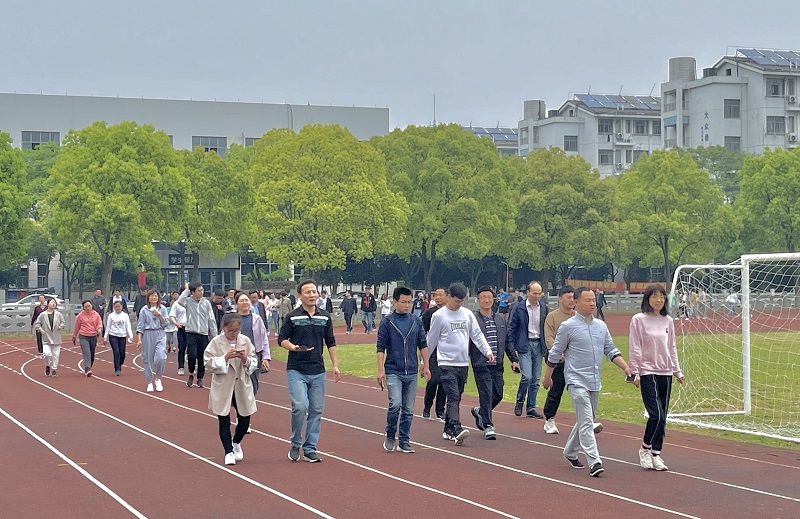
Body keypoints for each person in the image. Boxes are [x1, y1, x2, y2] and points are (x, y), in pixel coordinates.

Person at [543, 287, 633, 477]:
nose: (592, 303)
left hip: (594, 381)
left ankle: (569, 451)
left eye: (594, 300)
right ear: (576, 302)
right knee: (586, 421)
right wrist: (547, 376)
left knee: (586, 420)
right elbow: (555, 353)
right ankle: (595, 461)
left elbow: (611, 350)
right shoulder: (567, 327)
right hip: (576, 381)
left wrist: (626, 367)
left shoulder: (601, 326)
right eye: (588, 300)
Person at [279, 280, 340, 463]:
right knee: (300, 407)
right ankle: (295, 443)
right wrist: (293, 347)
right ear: (300, 295)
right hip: (297, 369)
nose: (312, 295)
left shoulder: (325, 316)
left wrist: (335, 365)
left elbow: (330, 341)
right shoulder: (292, 316)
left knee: (316, 410)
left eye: (314, 291)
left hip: (318, 370)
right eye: (308, 292)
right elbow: (281, 339)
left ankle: (310, 447)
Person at [427, 282, 495, 445]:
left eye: (461, 301)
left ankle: (448, 428)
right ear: (449, 297)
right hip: (445, 363)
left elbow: (476, 335)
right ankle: (457, 428)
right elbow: (431, 340)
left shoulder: (467, 314)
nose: (459, 304)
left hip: (463, 363)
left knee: (457, 397)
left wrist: (487, 351)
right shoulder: (439, 316)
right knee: (453, 395)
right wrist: (424, 362)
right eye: (456, 301)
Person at [629, 284, 686, 471]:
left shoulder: (668, 320)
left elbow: (672, 347)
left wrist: (677, 371)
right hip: (647, 371)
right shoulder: (638, 320)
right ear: (647, 299)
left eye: (662, 297)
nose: (659, 300)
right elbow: (635, 346)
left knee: (663, 416)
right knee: (656, 414)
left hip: (666, 371)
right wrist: (635, 371)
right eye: (655, 296)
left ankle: (656, 453)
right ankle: (645, 449)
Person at [376, 286, 431, 453]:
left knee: (408, 408)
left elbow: (422, 343)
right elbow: (380, 347)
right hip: (393, 370)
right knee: (396, 403)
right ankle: (390, 434)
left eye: (409, 302)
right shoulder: (388, 322)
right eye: (403, 302)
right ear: (395, 302)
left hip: (412, 371)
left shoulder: (416, 320)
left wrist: (426, 364)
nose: (407, 305)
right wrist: (380, 370)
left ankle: (405, 440)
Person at [205, 312, 258, 466]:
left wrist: (245, 359)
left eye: (237, 330)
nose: (234, 334)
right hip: (223, 384)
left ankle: (236, 442)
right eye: (230, 331)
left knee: (245, 418)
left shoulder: (245, 341)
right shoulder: (216, 342)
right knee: (224, 418)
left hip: (241, 383)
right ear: (224, 328)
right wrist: (225, 358)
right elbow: (208, 362)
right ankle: (228, 451)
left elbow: (254, 360)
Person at [469, 286, 518, 440]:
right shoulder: (474, 320)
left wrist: (514, 359)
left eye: (489, 297)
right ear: (478, 300)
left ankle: (480, 412)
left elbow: (508, 340)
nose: (487, 300)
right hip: (481, 364)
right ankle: (488, 425)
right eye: (483, 297)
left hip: (497, 364)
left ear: (494, 300)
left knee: (498, 394)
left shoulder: (499, 319)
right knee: (486, 393)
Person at [508, 281, 549, 418]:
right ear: (527, 292)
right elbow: (512, 327)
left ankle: (531, 407)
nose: (537, 296)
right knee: (527, 376)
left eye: (539, 293)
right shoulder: (519, 308)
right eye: (534, 293)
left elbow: (547, 328)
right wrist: (511, 347)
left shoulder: (543, 308)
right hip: (524, 344)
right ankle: (520, 401)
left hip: (539, 345)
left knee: (536, 379)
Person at [176, 283, 218, 389]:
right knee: (192, 355)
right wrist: (186, 289)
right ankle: (191, 372)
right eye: (199, 290)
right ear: (193, 292)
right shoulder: (188, 301)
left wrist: (215, 335)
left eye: (202, 290)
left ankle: (200, 378)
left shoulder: (206, 303)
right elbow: (180, 300)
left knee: (201, 357)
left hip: (203, 333)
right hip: (191, 332)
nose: (202, 292)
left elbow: (211, 319)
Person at [421, 287, 447, 420]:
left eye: (440, 295)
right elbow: (422, 333)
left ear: (447, 296)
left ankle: (440, 410)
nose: (437, 297)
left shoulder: (451, 313)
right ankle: (427, 406)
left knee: (444, 382)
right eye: (435, 295)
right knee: (433, 380)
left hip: (447, 354)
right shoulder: (429, 313)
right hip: (432, 352)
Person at [135, 289, 168, 393]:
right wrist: (139, 340)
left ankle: (158, 378)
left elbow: (165, 324)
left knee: (160, 357)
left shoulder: (162, 309)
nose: (154, 298)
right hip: (148, 334)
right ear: (148, 298)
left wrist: (159, 315)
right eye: (151, 296)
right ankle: (149, 381)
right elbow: (140, 326)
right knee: (147, 359)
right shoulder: (144, 310)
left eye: (156, 296)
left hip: (160, 333)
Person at [72, 300, 103, 377]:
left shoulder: (96, 315)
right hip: (83, 336)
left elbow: (99, 324)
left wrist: (99, 329)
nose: (88, 308)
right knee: (87, 352)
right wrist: (74, 335)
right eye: (86, 307)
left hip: (93, 336)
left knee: (92, 353)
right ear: (83, 308)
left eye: (89, 306)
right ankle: (87, 368)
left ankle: (89, 366)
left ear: (92, 306)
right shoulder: (80, 315)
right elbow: (77, 326)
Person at [35, 298, 65, 377]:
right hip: (46, 337)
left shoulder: (58, 314)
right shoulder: (43, 315)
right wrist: (41, 330)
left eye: (54, 303)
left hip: (56, 337)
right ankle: (47, 365)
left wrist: (61, 326)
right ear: (47, 304)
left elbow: (63, 322)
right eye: (51, 302)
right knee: (46, 353)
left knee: (56, 354)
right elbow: (37, 324)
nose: (53, 304)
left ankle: (54, 369)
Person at [104, 300, 133, 375]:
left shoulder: (125, 315)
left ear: (122, 307)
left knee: (122, 354)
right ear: (114, 307)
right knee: (116, 352)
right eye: (116, 306)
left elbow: (128, 326)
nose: (117, 308)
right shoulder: (111, 315)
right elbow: (108, 326)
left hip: (122, 336)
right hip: (113, 335)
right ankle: (117, 368)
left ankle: (119, 363)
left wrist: (130, 335)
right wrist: (105, 337)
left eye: (119, 306)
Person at [169, 291, 188, 375]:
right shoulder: (176, 304)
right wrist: (176, 323)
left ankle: (191, 367)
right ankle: (181, 367)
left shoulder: (193, 302)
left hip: (192, 329)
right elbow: (171, 315)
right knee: (182, 348)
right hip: (181, 328)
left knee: (192, 349)